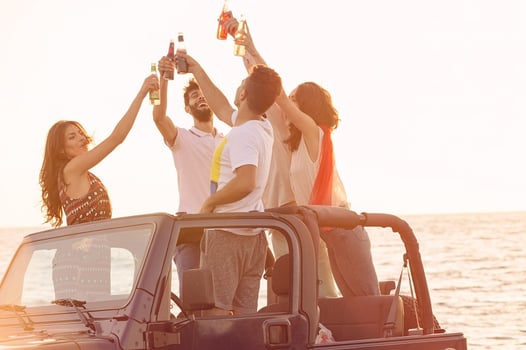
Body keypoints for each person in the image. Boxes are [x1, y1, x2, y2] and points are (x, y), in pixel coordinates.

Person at [227, 18, 380, 298]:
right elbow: (278, 100)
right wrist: (247, 50)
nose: (290, 103)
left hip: (343, 227)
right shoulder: (296, 145)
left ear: (307, 106)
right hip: (327, 230)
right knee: (342, 297)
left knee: (366, 298)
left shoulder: (314, 131)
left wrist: (251, 49)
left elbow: (278, 97)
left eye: (297, 100)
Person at [179, 51, 282, 315]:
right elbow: (222, 108)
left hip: (227, 234)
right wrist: (197, 70)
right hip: (252, 236)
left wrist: (210, 202)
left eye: (240, 86)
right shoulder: (260, 125)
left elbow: (246, 181)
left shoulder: (242, 134)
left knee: (214, 313)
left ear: (243, 95)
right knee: (244, 315)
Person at [40, 73, 159, 227]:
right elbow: (117, 137)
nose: (82, 138)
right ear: (61, 150)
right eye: (72, 137)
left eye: (81, 133)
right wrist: (141, 94)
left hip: (97, 250)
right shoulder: (71, 169)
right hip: (80, 251)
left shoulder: (83, 173)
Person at [153, 57, 224, 292]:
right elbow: (159, 118)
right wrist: (164, 80)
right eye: (194, 95)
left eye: (203, 93)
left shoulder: (229, 141)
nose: (201, 97)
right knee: (194, 300)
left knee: (224, 302)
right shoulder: (182, 138)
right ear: (186, 108)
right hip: (191, 232)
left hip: (226, 231)